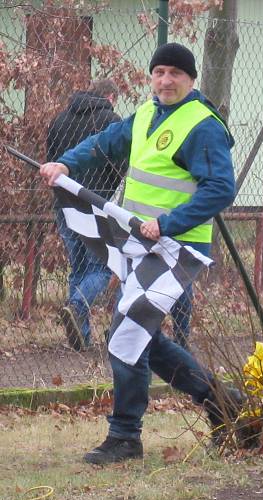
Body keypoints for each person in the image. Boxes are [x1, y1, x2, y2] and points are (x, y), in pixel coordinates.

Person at [40, 43, 239, 464]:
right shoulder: (147, 113)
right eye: (159, 72)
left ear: (191, 80)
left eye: (175, 74)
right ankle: (226, 404)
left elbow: (221, 189)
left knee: (126, 334)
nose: (165, 81)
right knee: (142, 336)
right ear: (151, 77)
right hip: (142, 244)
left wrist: (168, 224)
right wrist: (66, 166)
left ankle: (125, 437)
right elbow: (103, 143)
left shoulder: (202, 125)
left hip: (178, 248)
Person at [47, 79, 123, 351]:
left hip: (65, 205)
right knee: (103, 266)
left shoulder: (59, 120)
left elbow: (52, 161)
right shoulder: (111, 120)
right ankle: (77, 306)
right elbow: (120, 165)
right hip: (97, 203)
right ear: (110, 96)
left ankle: (81, 338)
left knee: (78, 268)